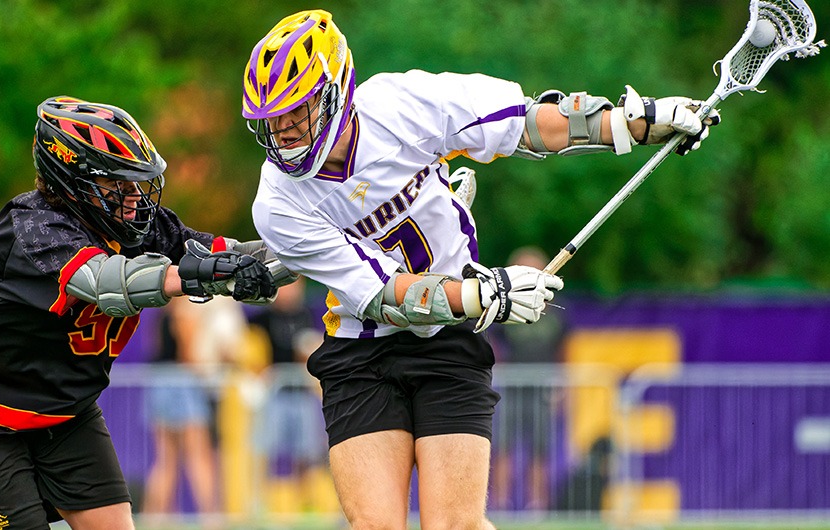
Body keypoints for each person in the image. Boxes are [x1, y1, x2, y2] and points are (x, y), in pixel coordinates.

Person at [240, 9, 720, 528]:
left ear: (336, 93)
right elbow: (385, 294)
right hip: (362, 350)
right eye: (272, 121)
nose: (283, 133)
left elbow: (527, 123)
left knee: (456, 525)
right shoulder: (277, 204)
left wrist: (634, 123)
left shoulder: (401, 103)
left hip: (448, 341)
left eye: (296, 113)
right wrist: (486, 293)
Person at [0, 96, 285, 529]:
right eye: (117, 184)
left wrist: (319, 251)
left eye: (136, 183)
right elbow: (109, 283)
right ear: (71, 180)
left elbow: (227, 255)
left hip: (64, 409)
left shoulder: (132, 224)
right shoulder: (32, 228)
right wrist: (195, 276)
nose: (134, 198)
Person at [142, 295, 247, 517]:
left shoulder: (163, 315)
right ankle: (210, 516)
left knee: (166, 459)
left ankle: (154, 517)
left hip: (160, 384)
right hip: (183, 385)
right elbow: (189, 355)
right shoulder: (184, 313)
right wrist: (211, 370)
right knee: (198, 455)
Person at [490, 247, 570, 511]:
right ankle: (501, 504)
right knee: (502, 446)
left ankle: (537, 506)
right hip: (510, 388)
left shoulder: (557, 314)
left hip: (542, 389)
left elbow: (564, 351)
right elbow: (494, 346)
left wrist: (562, 385)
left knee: (540, 449)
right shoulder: (505, 311)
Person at [249, 278, 329, 510]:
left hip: (301, 394)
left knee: (307, 452)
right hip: (274, 395)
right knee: (266, 450)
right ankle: (262, 504)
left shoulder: (306, 315)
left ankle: (306, 504)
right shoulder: (261, 319)